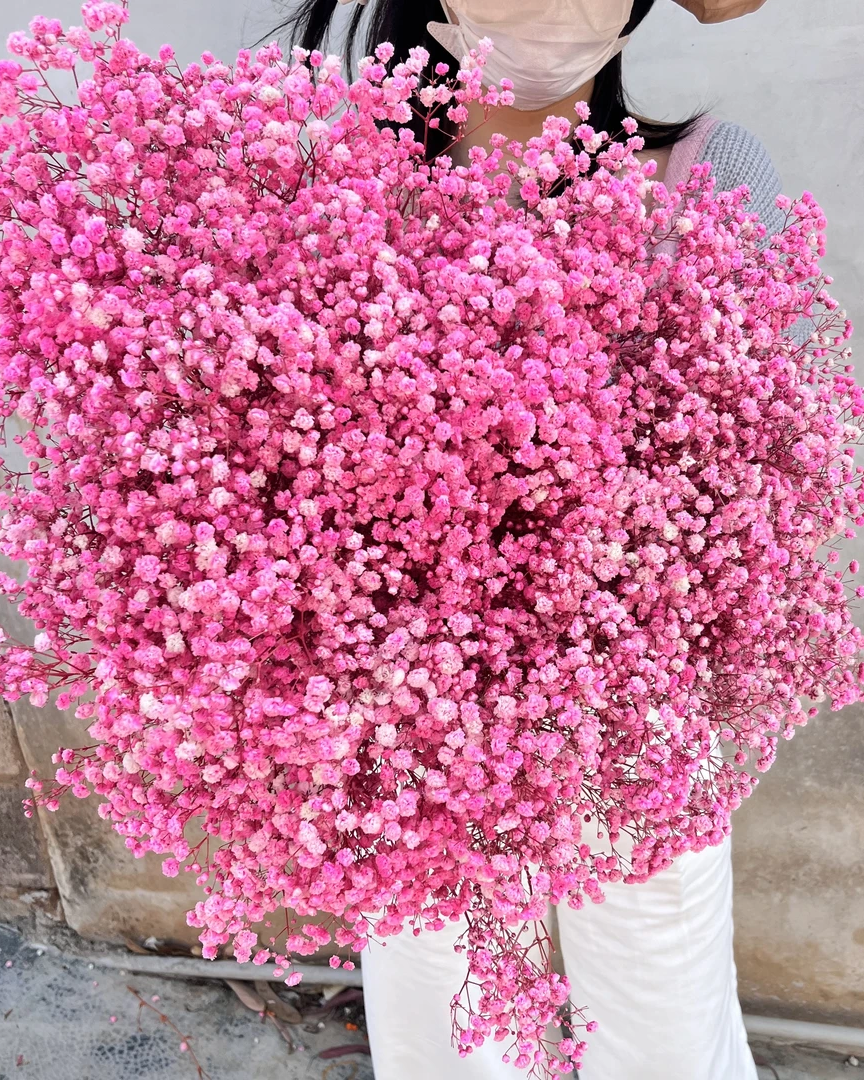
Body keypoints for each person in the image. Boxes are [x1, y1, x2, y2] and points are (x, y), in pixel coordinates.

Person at [283, 2, 774, 1076]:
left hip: (636, 698)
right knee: (439, 1009)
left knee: (660, 993)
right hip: (403, 704)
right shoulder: (322, 187)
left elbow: (741, 465)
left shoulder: (705, 170)